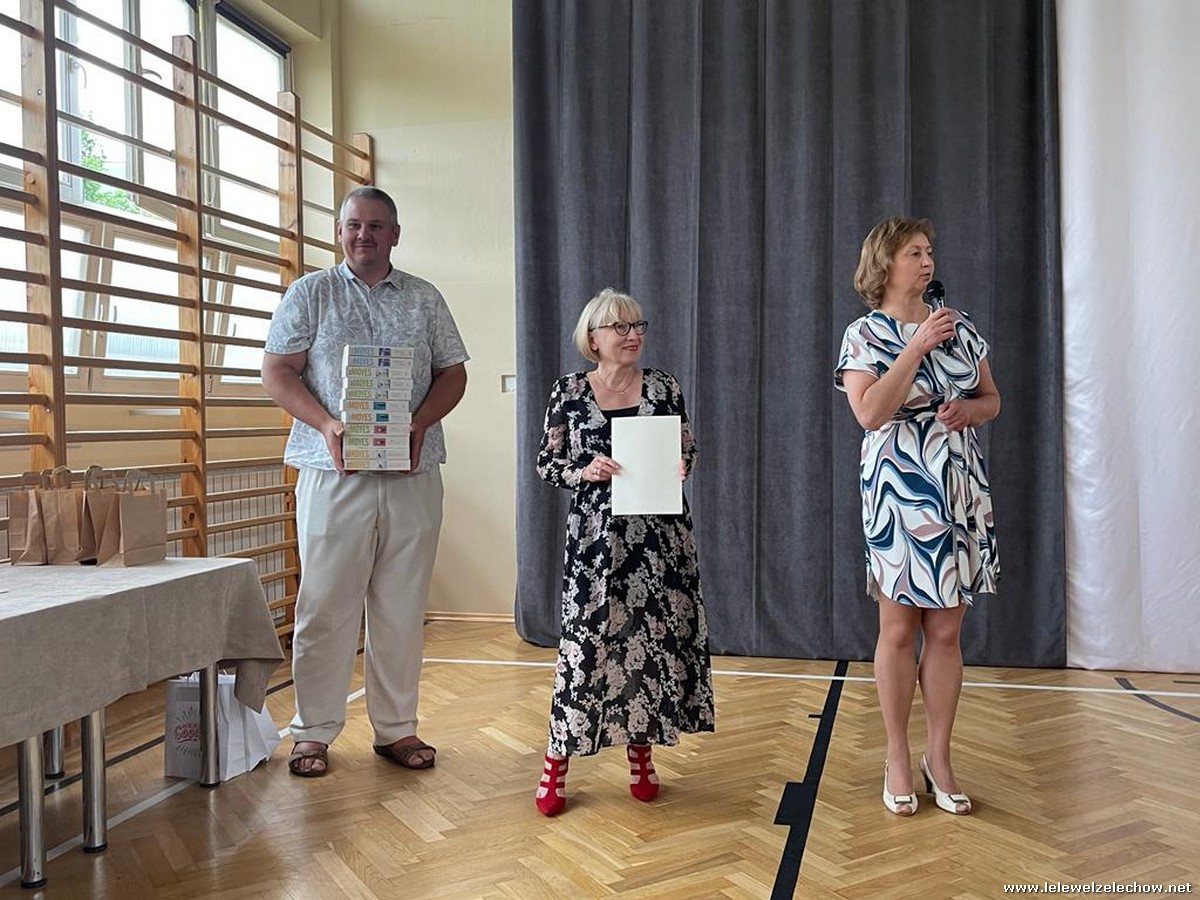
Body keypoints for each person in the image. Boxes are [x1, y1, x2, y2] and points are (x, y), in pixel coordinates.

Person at [262, 186, 469, 777]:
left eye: (376, 226)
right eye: (354, 224)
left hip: (412, 472)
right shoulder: (310, 294)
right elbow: (277, 371)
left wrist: (418, 426)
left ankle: (397, 728)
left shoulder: (424, 298)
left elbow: (453, 374)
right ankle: (312, 731)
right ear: (339, 231)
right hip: (332, 471)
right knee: (324, 604)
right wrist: (326, 424)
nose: (364, 235)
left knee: (401, 606)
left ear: (394, 234)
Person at [834, 217, 1000, 816]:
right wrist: (916, 347)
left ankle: (940, 756)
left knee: (948, 632)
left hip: (957, 485)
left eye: (929, 251)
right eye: (914, 252)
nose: (927, 261)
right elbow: (870, 413)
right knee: (899, 630)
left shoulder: (960, 326)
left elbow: (992, 398)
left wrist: (970, 412)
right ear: (884, 263)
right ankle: (898, 757)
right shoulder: (863, 334)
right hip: (899, 489)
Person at [533, 287, 715, 816]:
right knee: (584, 652)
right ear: (593, 337)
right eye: (621, 327)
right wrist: (584, 470)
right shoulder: (569, 391)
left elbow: (688, 447)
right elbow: (548, 464)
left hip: (661, 540)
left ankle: (642, 756)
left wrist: (682, 464)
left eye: (638, 325)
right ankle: (556, 762)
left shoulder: (663, 386)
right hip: (595, 544)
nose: (633, 335)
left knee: (650, 646)